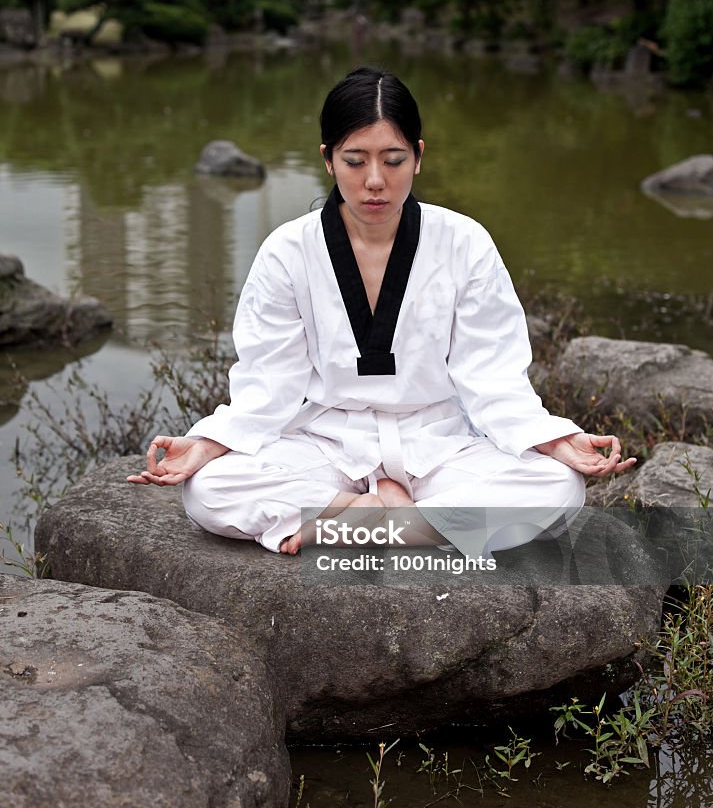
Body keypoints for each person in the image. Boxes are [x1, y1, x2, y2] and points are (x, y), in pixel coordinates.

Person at [128, 66, 635, 557]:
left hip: (437, 440)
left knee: (557, 487)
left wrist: (554, 439)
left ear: (418, 156)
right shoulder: (288, 250)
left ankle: (353, 523)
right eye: (355, 160)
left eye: (393, 160)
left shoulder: (465, 242)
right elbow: (269, 384)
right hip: (324, 439)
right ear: (327, 159)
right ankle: (395, 518)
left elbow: (493, 376)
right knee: (209, 490)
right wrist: (208, 444)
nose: (375, 180)